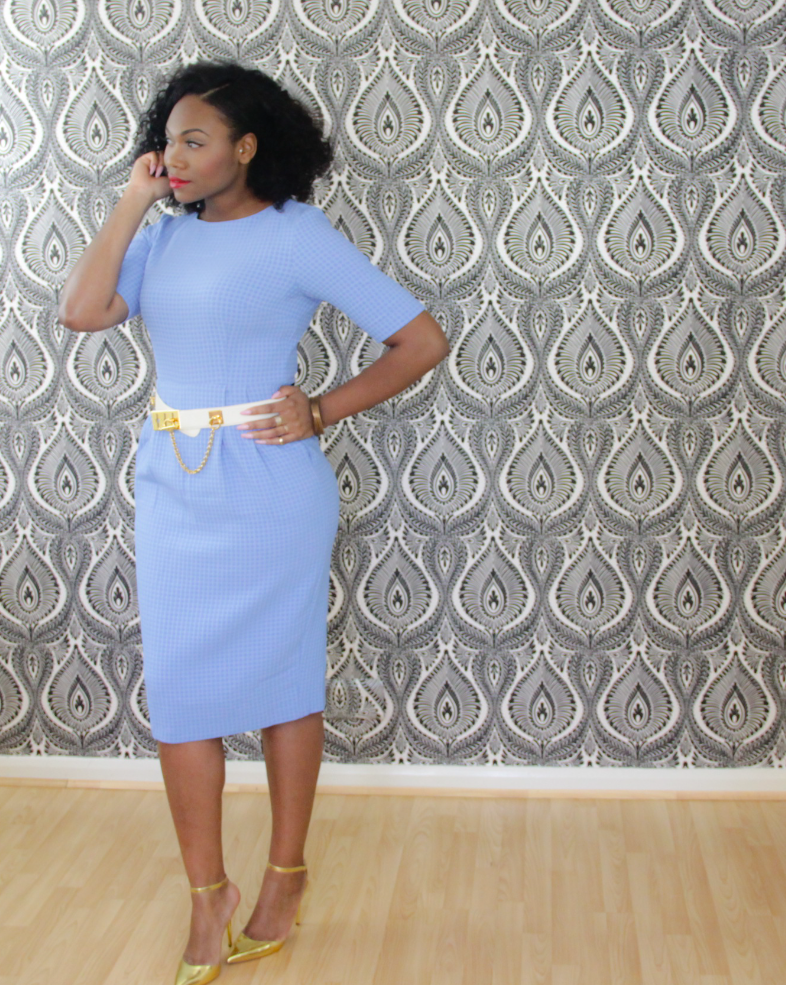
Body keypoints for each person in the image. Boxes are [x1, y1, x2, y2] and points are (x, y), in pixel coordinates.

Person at [57, 60, 449, 985]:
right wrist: (132, 199)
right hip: (175, 481)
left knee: (284, 684)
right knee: (181, 692)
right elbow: (81, 311)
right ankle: (208, 895)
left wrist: (322, 409)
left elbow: (421, 340)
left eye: (195, 141)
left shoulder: (295, 234)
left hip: (271, 488)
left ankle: (285, 870)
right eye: (168, 141)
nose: (175, 156)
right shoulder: (161, 234)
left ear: (246, 147)